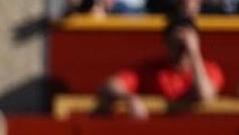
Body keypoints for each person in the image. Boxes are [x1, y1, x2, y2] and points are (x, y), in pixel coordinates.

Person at [96, 15, 225, 116]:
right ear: (167, 42)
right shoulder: (151, 70)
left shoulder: (209, 70)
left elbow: (204, 95)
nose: (181, 49)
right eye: (176, 43)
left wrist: (194, 53)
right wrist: (129, 98)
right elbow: (109, 86)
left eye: (185, 44)